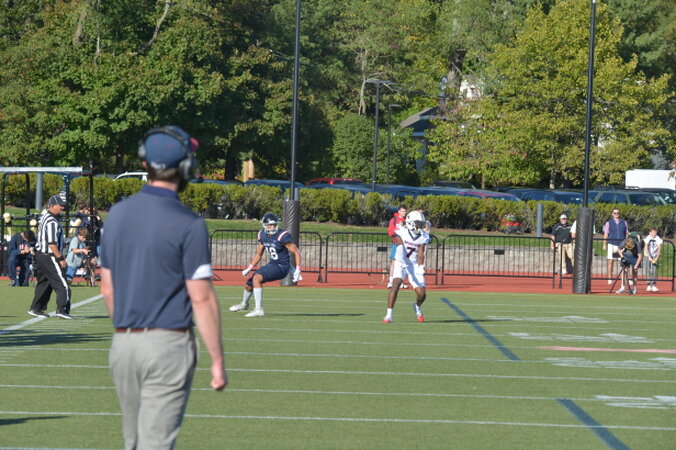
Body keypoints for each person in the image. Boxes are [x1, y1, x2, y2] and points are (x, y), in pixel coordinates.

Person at [100, 125, 227, 449]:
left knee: (134, 442)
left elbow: (108, 290)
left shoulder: (117, 214)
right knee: (155, 443)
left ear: (145, 164)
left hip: (124, 343)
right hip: (168, 343)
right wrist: (217, 360)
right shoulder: (189, 223)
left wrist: (128, 331)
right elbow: (201, 300)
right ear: (186, 167)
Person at [229, 213, 302, 317]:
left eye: (274, 224)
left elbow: (296, 252)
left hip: (282, 266)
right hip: (272, 264)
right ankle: (244, 304)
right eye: (270, 225)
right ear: (265, 225)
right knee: (248, 285)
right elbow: (258, 254)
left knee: (257, 278)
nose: (272, 227)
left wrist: (297, 269)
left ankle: (258, 309)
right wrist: (249, 267)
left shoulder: (282, 236)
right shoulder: (262, 235)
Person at [28, 195, 72, 319]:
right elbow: (52, 243)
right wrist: (60, 259)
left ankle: (36, 308)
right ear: (52, 206)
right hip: (49, 256)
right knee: (62, 284)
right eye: (60, 205)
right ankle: (62, 310)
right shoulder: (51, 221)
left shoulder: (45, 217)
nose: (62, 208)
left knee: (45, 283)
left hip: (41, 255)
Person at [383, 210, 431, 323]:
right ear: (410, 223)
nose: (420, 226)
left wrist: (421, 267)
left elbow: (421, 252)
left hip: (413, 265)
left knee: (422, 294)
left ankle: (417, 307)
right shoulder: (402, 231)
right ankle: (388, 315)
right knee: (396, 284)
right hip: (401, 262)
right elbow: (399, 244)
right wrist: (401, 260)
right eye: (418, 223)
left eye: (421, 224)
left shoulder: (423, 236)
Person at [602, 208, 629, 284]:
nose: (616, 214)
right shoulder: (608, 223)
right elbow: (606, 234)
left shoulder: (624, 222)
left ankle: (625, 279)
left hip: (621, 245)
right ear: (612, 214)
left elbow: (627, 233)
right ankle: (609, 278)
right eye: (615, 213)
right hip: (611, 243)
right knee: (610, 261)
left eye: (617, 213)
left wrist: (626, 243)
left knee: (624, 262)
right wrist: (604, 244)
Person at [387, 205, 407, 289]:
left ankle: (401, 282)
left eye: (405, 211)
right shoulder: (394, 220)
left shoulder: (407, 220)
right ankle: (391, 281)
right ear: (399, 211)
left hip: (405, 244)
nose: (404, 213)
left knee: (403, 263)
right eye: (402, 211)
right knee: (394, 262)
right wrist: (397, 229)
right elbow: (390, 232)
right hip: (396, 243)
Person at [643, 227, 663, 292]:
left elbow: (659, 248)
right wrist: (649, 256)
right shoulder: (648, 238)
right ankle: (648, 285)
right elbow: (646, 247)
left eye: (655, 232)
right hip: (647, 255)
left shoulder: (658, 238)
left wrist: (657, 257)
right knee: (647, 270)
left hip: (654, 256)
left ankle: (654, 285)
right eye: (653, 232)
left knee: (654, 270)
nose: (654, 234)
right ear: (650, 233)